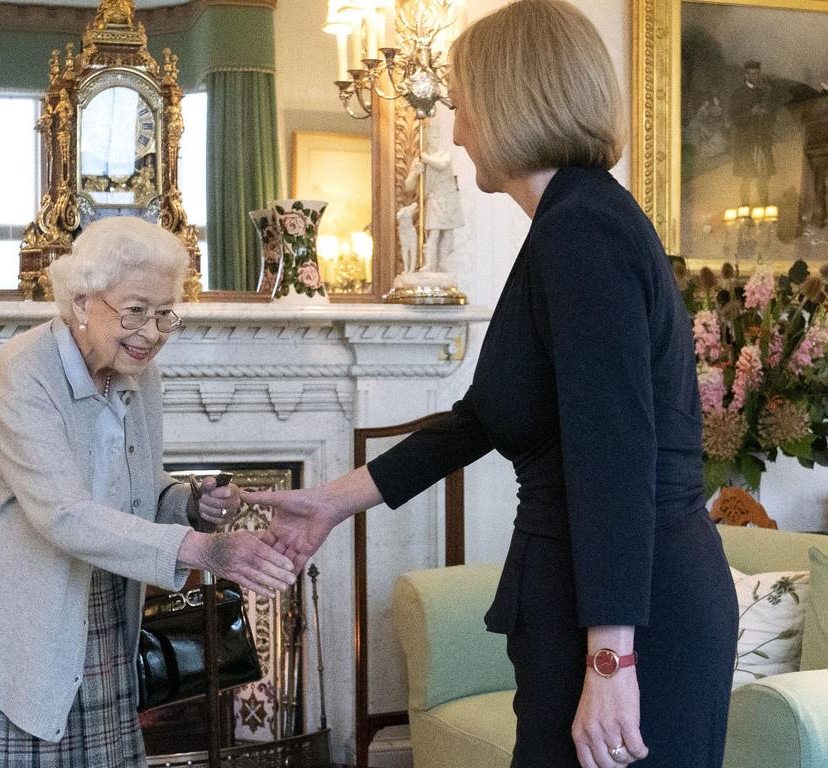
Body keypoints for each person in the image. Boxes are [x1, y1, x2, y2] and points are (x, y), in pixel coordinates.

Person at [246, 2, 738, 767]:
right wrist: (334, 501)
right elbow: (487, 416)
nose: (457, 126)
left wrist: (611, 661)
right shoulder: (570, 222)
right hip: (590, 602)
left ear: (512, 99)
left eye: (463, 100)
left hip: (629, 618)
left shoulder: (580, 230)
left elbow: (614, 456)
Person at [0, 216, 295, 766]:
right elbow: (63, 514)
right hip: (17, 624)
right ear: (81, 302)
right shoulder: (21, 374)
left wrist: (192, 503)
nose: (150, 333)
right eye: (134, 311)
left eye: (164, 314)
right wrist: (202, 550)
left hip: (102, 612)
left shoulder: (140, 377)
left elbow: (141, 491)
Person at [403, 119, 464, 272]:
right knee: (434, 232)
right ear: (427, 138)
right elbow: (408, 186)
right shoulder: (419, 161)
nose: (434, 140)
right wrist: (415, 174)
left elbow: (442, 164)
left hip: (449, 198)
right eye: (431, 137)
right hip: (434, 199)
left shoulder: (444, 155)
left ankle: (442, 263)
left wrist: (426, 158)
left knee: (448, 235)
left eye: (436, 137)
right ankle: (430, 265)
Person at [729, 60, 777, 206]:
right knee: (747, 178)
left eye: (757, 73)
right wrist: (751, 112)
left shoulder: (763, 93)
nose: (755, 76)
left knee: (763, 178)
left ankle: (765, 208)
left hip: (762, 142)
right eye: (751, 74)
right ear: (746, 75)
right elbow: (735, 119)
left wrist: (767, 114)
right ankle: (745, 211)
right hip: (745, 143)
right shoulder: (737, 94)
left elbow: (772, 118)